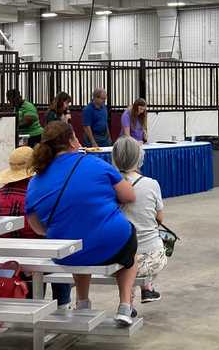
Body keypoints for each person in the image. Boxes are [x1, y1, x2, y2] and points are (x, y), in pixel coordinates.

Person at [25, 121, 138, 326]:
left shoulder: (36, 180)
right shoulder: (95, 164)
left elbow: (36, 227)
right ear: (72, 141)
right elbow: (129, 195)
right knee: (129, 248)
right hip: (110, 243)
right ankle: (124, 305)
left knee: (76, 240)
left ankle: (83, 302)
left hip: (67, 253)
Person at [0, 146, 72, 308]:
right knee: (59, 250)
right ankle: (63, 304)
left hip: (5, 256)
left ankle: (31, 302)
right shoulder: (39, 195)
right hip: (35, 255)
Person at [112, 136, 166, 303]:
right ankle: (147, 287)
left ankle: (130, 299)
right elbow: (159, 218)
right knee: (153, 242)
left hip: (117, 257)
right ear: (139, 157)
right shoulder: (151, 184)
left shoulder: (108, 184)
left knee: (128, 248)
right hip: (150, 257)